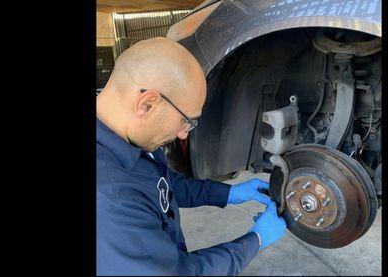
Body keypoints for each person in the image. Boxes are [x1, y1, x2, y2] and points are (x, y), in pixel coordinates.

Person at [96, 37, 287, 275]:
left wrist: (229, 193)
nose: (184, 134)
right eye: (185, 120)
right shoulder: (109, 200)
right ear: (147, 104)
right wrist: (254, 240)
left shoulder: (133, 135)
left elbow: (164, 184)